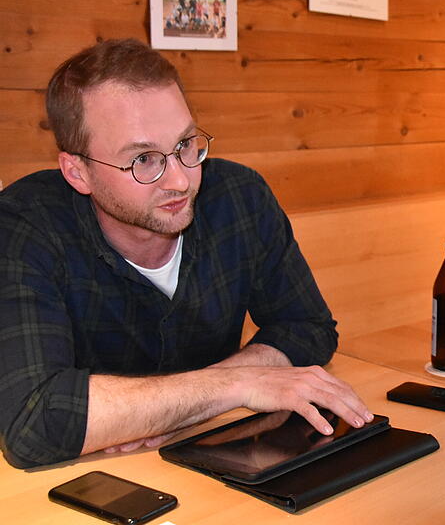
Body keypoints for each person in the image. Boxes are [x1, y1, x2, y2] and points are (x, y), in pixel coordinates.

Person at [0, 39, 372, 469]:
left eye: (185, 145)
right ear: (77, 172)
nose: (180, 180)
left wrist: (188, 401)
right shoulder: (25, 225)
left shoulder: (238, 196)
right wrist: (233, 387)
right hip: (91, 481)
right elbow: (33, 422)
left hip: (214, 459)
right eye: (143, 159)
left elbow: (308, 328)